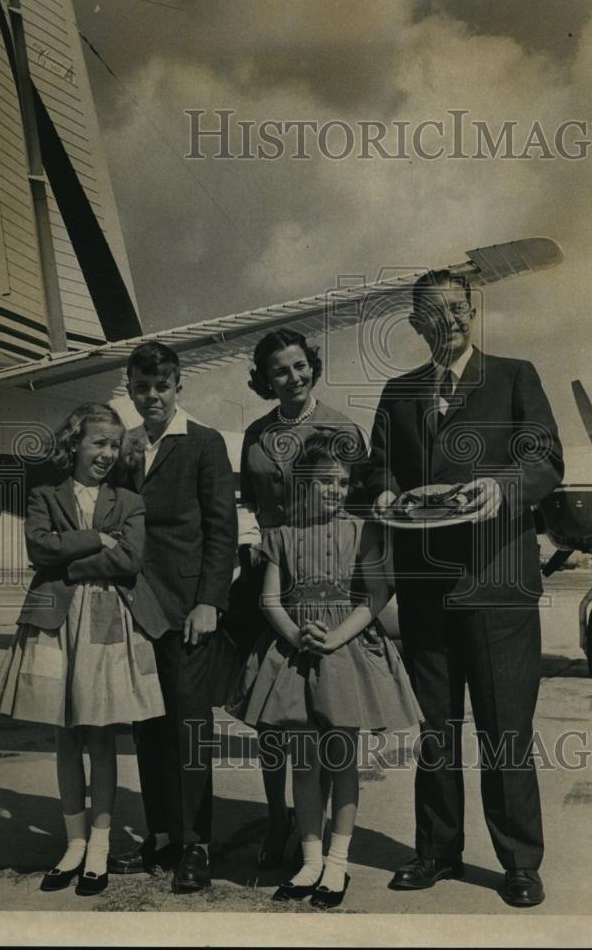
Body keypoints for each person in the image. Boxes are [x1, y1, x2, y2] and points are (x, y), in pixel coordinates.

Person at [367, 269, 564, 907]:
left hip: (498, 588)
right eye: (434, 313)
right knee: (435, 732)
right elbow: (375, 469)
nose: (448, 321)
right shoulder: (397, 394)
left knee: (504, 731)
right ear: (417, 324)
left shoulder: (514, 376)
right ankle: (436, 852)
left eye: (458, 308)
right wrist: (384, 493)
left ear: (470, 311)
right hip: (424, 593)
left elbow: (546, 459)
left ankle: (519, 863)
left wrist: (501, 487)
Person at [0, 403, 168, 897]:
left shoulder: (129, 501)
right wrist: (94, 539)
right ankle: (73, 843)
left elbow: (129, 559)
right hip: (55, 622)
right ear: (74, 444)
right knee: (66, 736)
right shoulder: (45, 494)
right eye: (98, 443)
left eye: (115, 444)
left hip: (107, 620)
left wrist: (71, 561)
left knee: (102, 735)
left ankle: (100, 847)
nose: (108, 453)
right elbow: (38, 549)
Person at [236, 434, 421, 909]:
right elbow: (270, 599)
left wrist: (337, 638)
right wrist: (294, 634)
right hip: (294, 653)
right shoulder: (281, 535)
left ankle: (338, 861)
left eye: (342, 482)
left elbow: (376, 596)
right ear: (303, 484)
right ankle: (311, 858)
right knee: (304, 762)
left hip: (345, 651)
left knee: (341, 763)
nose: (335, 490)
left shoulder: (363, 531)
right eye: (324, 482)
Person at [232, 327, 367, 868]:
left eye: (299, 365)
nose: (293, 377)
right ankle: (276, 819)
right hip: (272, 572)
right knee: (272, 712)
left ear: (312, 364)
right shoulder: (256, 434)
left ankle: (323, 840)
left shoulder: (341, 427)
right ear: (266, 381)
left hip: (329, 579)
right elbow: (251, 505)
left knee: (327, 711)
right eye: (279, 371)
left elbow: (359, 504)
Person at [108, 341, 238, 893]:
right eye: (142, 387)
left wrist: (210, 600)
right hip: (136, 604)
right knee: (149, 727)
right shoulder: (127, 445)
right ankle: (160, 836)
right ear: (131, 389)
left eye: (161, 386)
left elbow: (221, 529)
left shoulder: (204, 443)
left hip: (188, 610)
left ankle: (196, 844)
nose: (152, 396)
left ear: (178, 384)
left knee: (190, 726)